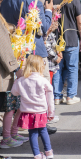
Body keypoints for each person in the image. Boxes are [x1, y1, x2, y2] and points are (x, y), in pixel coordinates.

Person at [11, 55, 54, 159]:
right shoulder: (43, 81)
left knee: (32, 133)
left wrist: (17, 80)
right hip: (41, 111)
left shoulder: (21, 80)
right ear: (40, 67)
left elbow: (14, 92)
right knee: (43, 131)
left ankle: (37, 155)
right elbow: (50, 97)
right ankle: (49, 153)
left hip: (27, 112)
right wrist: (51, 112)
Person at [52, 0, 81, 105]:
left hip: (55, 38)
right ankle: (70, 96)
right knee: (72, 67)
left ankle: (56, 97)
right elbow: (80, 22)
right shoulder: (74, 0)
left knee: (56, 67)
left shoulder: (52, 0)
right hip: (71, 37)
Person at [0, 14, 26, 149]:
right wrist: (15, 67)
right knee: (9, 107)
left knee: (13, 106)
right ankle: (7, 138)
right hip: (3, 73)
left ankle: (11, 134)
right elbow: (3, 47)